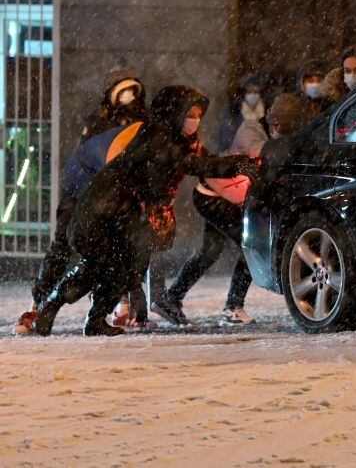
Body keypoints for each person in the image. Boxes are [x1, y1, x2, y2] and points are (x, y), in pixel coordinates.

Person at [33, 86, 256, 336]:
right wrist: (236, 164)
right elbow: (191, 164)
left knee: (121, 270)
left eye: (198, 115)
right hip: (103, 211)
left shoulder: (177, 140)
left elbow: (202, 160)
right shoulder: (157, 137)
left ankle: (94, 319)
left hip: (125, 216)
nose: (195, 121)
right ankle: (52, 304)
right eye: (190, 114)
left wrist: (237, 163)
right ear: (175, 113)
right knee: (99, 265)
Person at [12, 68, 149, 335]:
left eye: (133, 92)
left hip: (116, 198)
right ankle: (37, 305)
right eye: (123, 92)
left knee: (120, 250)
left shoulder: (143, 125)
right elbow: (90, 159)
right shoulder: (98, 122)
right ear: (111, 95)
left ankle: (113, 309)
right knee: (62, 245)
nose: (128, 98)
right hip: (82, 192)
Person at [153, 94, 303, 326]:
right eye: (277, 125)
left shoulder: (270, 135)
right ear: (271, 121)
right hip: (213, 195)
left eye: (284, 128)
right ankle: (233, 307)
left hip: (221, 195)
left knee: (209, 251)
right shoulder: (252, 131)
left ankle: (171, 298)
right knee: (250, 246)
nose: (278, 131)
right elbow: (261, 155)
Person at [217, 74, 266, 153]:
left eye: (256, 92)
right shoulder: (233, 113)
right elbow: (225, 142)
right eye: (249, 92)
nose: (253, 95)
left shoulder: (266, 114)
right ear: (243, 93)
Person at [295, 61, 334, 125]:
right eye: (310, 81)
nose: (315, 84)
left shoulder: (332, 104)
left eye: (319, 80)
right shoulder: (295, 106)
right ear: (302, 84)